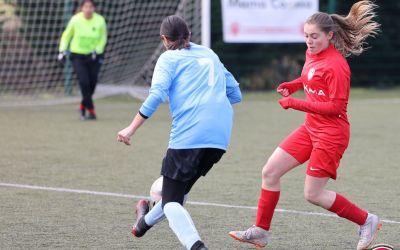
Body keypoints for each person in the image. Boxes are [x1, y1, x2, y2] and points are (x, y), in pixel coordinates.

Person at [228, 1, 380, 250]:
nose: (309, 41)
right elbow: (309, 77)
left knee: (313, 194)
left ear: (329, 36)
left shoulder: (337, 66)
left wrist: (295, 103)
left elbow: (335, 108)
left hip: (331, 134)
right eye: (306, 36)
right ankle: (260, 231)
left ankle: (367, 221)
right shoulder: (312, 54)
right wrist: (293, 84)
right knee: (270, 172)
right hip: (311, 128)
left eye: (315, 36)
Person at [117, 15, 241, 250]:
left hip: (189, 136)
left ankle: (197, 247)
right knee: (176, 194)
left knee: (173, 201)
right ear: (189, 36)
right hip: (219, 137)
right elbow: (235, 94)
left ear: (164, 39)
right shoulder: (209, 54)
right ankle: (142, 224)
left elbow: (156, 94)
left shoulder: (168, 58)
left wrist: (130, 128)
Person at [58, 0, 107, 120]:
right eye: (85, 6)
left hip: (95, 56)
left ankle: (82, 105)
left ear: (94, 8)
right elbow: (66, 35)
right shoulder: (75, 20)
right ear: (81, 8)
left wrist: (97, 50)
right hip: (78, 56)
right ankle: (91, 111)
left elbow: (103, 38)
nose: (88, 9)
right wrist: (62, 50)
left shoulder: (100, 20)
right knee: (84, 82)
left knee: (92, 84)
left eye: (90, 6)